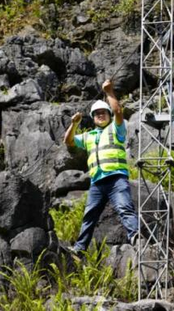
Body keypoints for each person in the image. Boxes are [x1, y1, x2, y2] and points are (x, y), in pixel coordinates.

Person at [63, 79, 138, 253]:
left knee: (124, 208)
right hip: (97, 182)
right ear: (93, 118)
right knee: (89, 216)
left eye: (104, 112)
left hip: (116, 178)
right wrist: (74, 124)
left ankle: (136, 236)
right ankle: (80, 248)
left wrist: (109, 92)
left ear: (108, 115)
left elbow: (118, 111)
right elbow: (68, 141)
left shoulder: (116, 129)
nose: (101, 115)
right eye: (97, 114)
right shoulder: (88, 136)